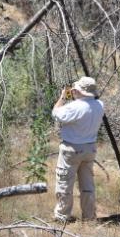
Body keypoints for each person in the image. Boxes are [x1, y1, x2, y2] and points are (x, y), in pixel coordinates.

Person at [51, 76, 104, 222]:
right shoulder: (100, 105)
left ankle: (62, 216)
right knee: (87, 184)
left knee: (65, 183)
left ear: (79, 91)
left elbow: (56, 114)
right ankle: (89, 216)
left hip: (72, 149)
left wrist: (62, 98)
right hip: (90, 148)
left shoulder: (75, 107)